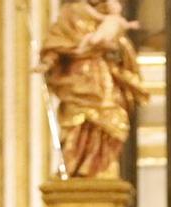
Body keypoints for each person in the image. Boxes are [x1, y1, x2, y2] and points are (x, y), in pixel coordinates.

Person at [38, 0, 148, 181]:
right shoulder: (71, 12)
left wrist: (113, 47)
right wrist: (47, 63)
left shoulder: (112, 12)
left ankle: (102, 166)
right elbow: (56, 43)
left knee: (111, 119)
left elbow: (122, 48)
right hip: (76, 78)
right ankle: (74, 165)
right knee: (77, 122)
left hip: (103, 77)